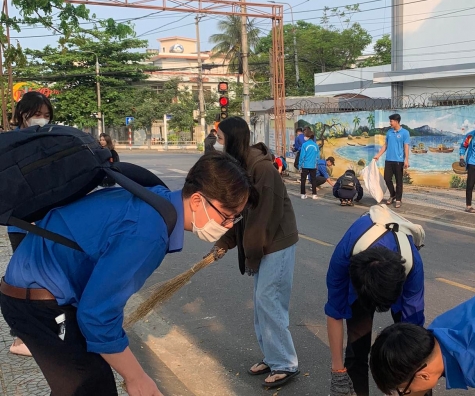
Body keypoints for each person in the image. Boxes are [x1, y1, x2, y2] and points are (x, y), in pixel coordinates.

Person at [0, 153, 254, 396]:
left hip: (38, 287)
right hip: (37, 303)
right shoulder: (149, 233)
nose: (228, 225)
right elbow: (97, 314)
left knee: (83, 383)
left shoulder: (156, 198)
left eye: (235, 218)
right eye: (227, 216)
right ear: (197, 201)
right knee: (90, 386)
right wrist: (136, 378)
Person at [213, 117, 300, 389]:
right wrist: (225, 242)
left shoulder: (262, 169)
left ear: (233, 139)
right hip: (262, 242)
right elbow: (240, 213)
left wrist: (251, 253)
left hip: (276, 242)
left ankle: (285, 363)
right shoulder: (241, 167)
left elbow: (262, 219)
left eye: (220, 138)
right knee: (261, 302)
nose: (218, 143)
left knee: (268, 300)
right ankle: (273, 356)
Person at [326, 213, 425, 396]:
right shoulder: (343, 257)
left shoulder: (412, 266)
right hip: (362, 276)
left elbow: (414, 328)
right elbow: (335, 311)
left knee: (414, 356)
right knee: (357, 346)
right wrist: (337, 371)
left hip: (396, 273)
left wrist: (408, 381)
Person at [6, 91, 54, 357]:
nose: (42, 119)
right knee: (25, 278)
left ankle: (39, 333)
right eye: (37, 114)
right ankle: (20, 337)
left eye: (46, 115)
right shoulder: (10, 143)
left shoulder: (48, 141)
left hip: (46, 221)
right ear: (22, 114)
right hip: (22, 223)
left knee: (45, 278)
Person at [373, 114, 410, 208]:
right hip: (388, 160)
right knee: (387, 179)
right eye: (390, 121)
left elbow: (406, 147)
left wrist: (406, 160)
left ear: (397, 121)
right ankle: (392, 195)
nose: (390, 123)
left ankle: (398, 199)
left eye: (391, 121)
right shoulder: (389, 132)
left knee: (399, 181)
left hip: (399, 161)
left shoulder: (405, 133)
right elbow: (385, 145)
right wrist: (378, 155)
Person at [298, 128, 320, 200]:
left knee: (303, 180)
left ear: (308, 137)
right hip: (313, 165)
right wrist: (316, 164)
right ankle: (314, 194)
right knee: (313, 180)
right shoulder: (316, 146)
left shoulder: (304, 145)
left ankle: (303, 194)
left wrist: (299, 166)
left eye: (305, 136)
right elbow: (318, 157)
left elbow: (302, 156)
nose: (304, 137)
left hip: (305, 165)